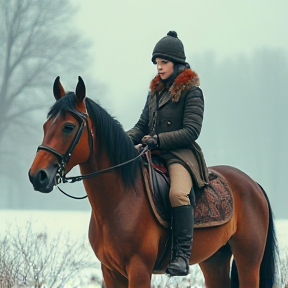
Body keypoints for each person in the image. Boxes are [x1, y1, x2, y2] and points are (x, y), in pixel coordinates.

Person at [126, 31, 209, 276]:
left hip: (180, 156)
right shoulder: (155, 91)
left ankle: (181, 256)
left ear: (177, 63)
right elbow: (141, 125)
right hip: (151, 151)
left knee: (178, 194)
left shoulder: (192, 92)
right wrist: (122, 141)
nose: (159, 68)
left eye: (163, 63)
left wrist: (158, 140)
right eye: (156, 63)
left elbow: (192, 130)